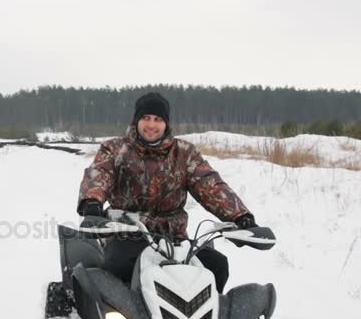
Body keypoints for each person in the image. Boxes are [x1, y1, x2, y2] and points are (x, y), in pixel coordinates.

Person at [76, 92, 257, 293]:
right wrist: (92, 202)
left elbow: (210, 184)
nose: (151, 125)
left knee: (216, 265)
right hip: (127, 234)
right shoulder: (115, 149)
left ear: (166, 124)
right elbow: (100, 173)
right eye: (146, 118)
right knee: (118, 267)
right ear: (136, 120)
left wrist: (240, 216)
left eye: (158, 119)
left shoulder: (184, 153)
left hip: (174, 237)